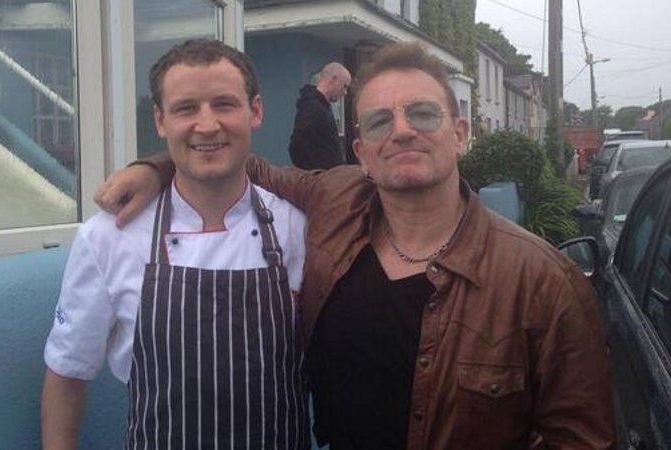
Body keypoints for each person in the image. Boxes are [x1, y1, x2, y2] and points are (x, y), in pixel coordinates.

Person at [94, 42, 615, 449]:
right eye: (381, 121)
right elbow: (234, 163)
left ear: (460, 134)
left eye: (424, 115)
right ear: (361, 150)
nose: (403, 131)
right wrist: (154, 167)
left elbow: (582, 440)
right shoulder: (336, 200)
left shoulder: (544, 281)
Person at [41, 39, 310, 450]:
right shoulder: (108, 237)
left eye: (224, 104)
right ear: (161, 120)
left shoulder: (296, 226)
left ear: (255, 111)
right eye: (186, 108)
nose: (206, 125)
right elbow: (67, 372)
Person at [288, 62, 351, 170]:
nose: (345, 92)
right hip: (321, 180)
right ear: (333, 79)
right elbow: (296, 146)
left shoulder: (323, 107)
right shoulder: (313, 107)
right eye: (344, 86)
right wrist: (314, 175)